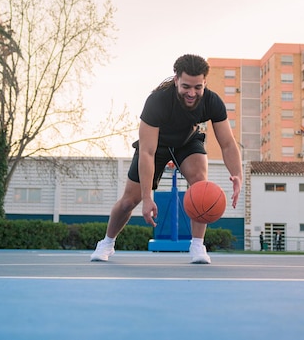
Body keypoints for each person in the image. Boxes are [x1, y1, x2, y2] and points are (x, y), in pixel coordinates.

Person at [90, 54, 243, 264]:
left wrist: (237, 175)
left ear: (205, 83)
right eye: (186, 86)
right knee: (129, 201)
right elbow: (147, 152)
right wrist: (146, 197)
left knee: (201, 184)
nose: (192, 93)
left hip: (187, 142)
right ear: (176, 80)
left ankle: (197, 245)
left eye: (198, 87)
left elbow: (227, 143)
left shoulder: (211, 101)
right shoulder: (158, 101)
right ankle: (107, 243)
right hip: (156, 145)